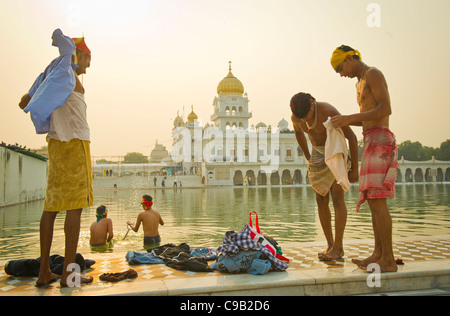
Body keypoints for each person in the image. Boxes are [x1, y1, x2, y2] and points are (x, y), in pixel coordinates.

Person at [19, 29, 94, 287]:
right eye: (86, 62)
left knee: (50, 209)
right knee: (75, 208)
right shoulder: (66, 73)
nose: (86, 68)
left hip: (55, 146)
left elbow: (23, 102)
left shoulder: (52, 74)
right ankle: (69, 277)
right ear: (79, 55)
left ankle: (43, 274)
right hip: (74, 145)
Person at [330, 45, 399, 272]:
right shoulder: (359, 83)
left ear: (352, 58)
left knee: (378, 202)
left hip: (380, 139)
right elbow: (368, 115)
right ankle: (378, 254)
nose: (341, 74)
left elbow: (385, 108)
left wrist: (351, 117)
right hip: (369, 138)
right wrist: (346, 121)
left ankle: (387, 259)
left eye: (341, 67)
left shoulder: (372, 74)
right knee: (373, 202)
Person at [290, 92, 359, 261]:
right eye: (302, 119)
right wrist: (307, 155)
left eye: (307, 117)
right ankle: (329, 243)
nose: (305, 121)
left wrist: (355, 168)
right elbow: (299, 133)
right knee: (320, 199)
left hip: (335, 151)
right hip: (318, 153)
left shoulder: (327, 111)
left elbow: (352, 137)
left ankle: (339, 247)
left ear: (312, 105)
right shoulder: (297, 117)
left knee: (337, 198)